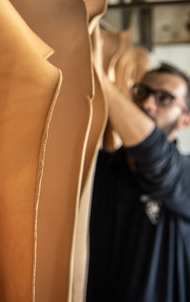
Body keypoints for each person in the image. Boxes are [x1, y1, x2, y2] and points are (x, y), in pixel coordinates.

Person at [86, 62, 190, 302]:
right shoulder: (100, 167)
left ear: (185, 120)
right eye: (142, 92)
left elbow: (154, 154)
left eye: (164, 99)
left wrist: (97, 73)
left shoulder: (184, 174)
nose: (146, 104)